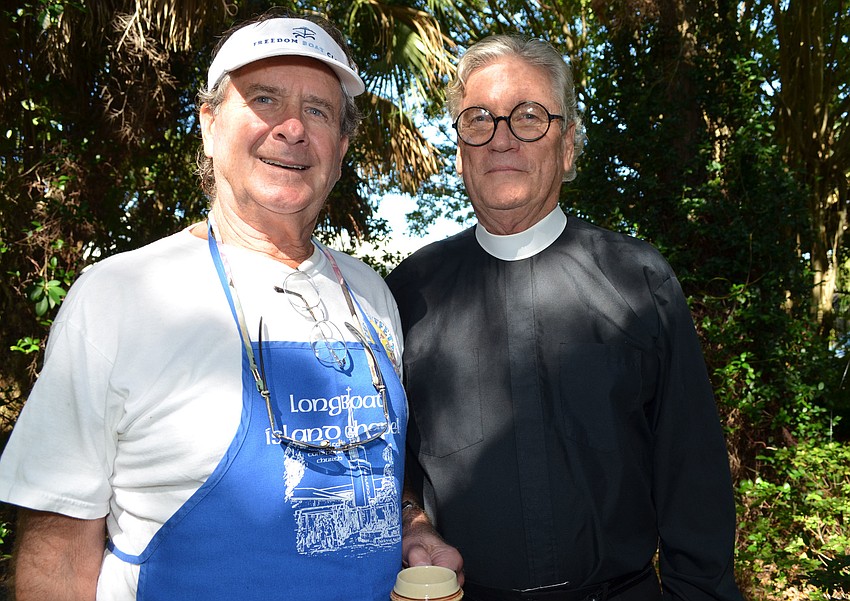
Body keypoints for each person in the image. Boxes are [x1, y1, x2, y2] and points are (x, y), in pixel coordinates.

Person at [0, 10, 456, 601]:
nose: (292, 127)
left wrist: (413, 527)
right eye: (264, 99)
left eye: (317, 110)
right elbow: (59, 543)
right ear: (210, 125)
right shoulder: (119, 296)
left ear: (340, 147)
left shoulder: (370, 294)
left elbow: (366, 471)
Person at [386, 35, 744, 601]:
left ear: (569, 145)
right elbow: (387, 461)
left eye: (528, 116)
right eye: (479, 120)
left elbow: (692, 474)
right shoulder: (407, 293)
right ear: (460, 151)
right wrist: (412, 520)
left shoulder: (639, 280)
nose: (501, 138)